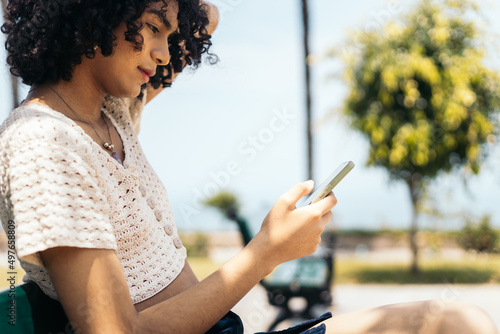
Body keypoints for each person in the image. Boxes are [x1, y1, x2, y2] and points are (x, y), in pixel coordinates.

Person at [0, 0, 497, 333]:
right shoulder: (44, 144)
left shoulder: (113, 113)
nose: (163, 52)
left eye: (170, 35)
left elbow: (208, 16)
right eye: (152, 28)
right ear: (91, 11)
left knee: (452, 319)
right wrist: (265, 254)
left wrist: (173, 15)